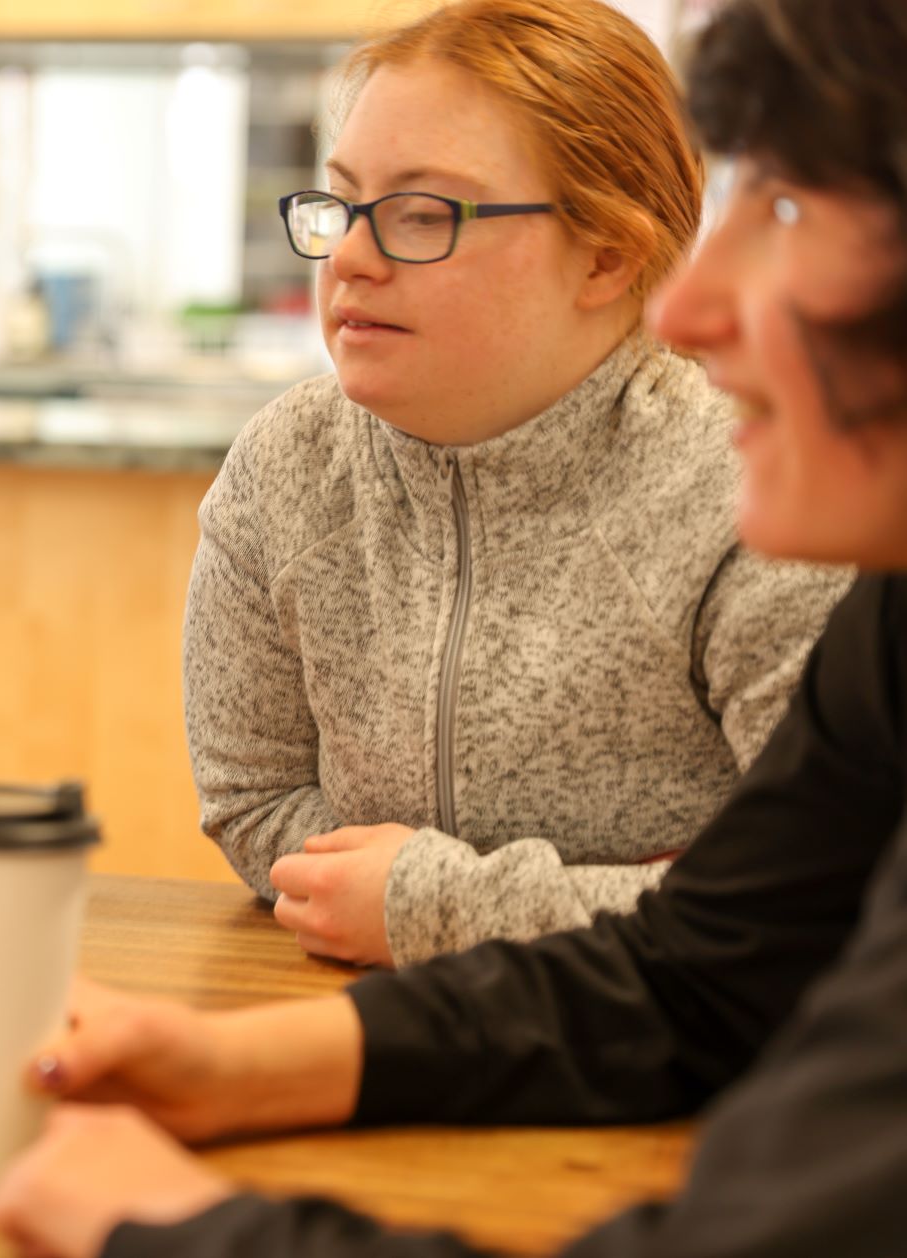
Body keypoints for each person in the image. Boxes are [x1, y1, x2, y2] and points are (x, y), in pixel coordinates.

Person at [0, 0, 907, 1252]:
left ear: (602, 258)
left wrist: (187, 1229)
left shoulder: (767, 509)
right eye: (342, 203)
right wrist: (225, 1062)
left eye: (785, 208)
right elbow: (698, 969)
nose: (690, 310)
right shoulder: (884, 624)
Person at [183, 0, 848, 968]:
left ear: (606, 254)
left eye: (420, 214)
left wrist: (432, 904)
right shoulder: (284, 466)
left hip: (675, 1055)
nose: (351, 260)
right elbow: (249, 801)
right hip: (361, 1020)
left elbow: (811, 887)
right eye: (341, 204)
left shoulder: (748, 487)